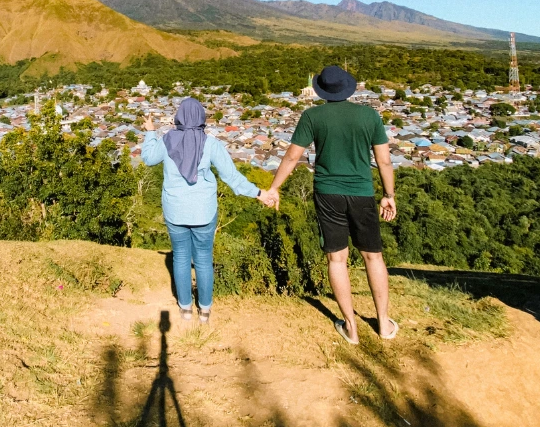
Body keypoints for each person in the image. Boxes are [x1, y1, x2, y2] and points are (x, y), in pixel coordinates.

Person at [266, 66, 398, 344]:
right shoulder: (369, 115)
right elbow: (384, 161)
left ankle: (351, 326)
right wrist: (388, 194)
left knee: (337, 258)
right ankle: (384, 325)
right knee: (373, 256)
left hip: (327, 193)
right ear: (348, 88)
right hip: (362, 192)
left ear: (320, 90)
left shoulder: (312, 116)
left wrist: (275, 188)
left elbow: (292, 158)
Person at [142, 96, 276, 323]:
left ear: (179, 117)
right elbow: (232, 177)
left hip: (175, 211)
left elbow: (148, 158)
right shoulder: (211, 143)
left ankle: (185, 309)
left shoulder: (166, 141)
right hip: (204, 212)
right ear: (202, 118)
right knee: (203, 259)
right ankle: (204, 311)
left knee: (181, 257)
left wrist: (150, 131)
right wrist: (260, 193)